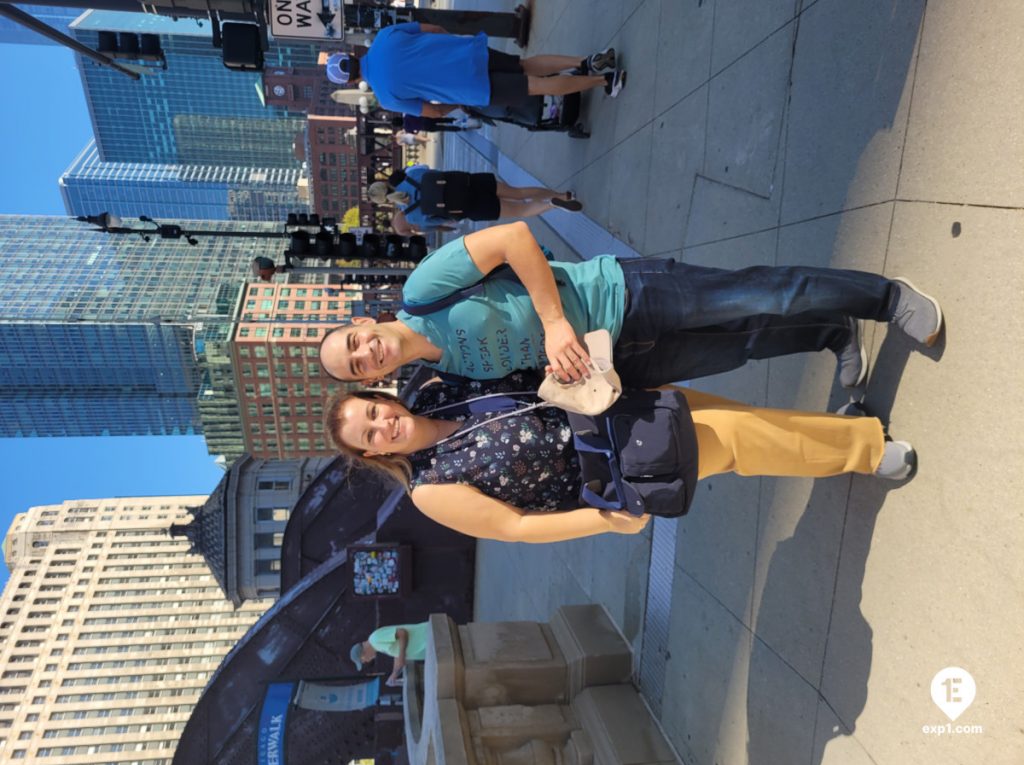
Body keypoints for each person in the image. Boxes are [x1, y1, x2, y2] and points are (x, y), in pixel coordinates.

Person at [318, 222, 943, 390]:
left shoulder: (425, 290)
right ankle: (831, 333)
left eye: (355, 344)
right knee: (744, 344)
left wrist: (557, 320)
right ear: (371, 380)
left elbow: (515, 238)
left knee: (764, 291)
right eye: (359, 368)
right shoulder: (442, 372)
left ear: (361, 324)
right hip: (617, 363)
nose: (367, 355)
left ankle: (887, 298)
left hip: (622, 293)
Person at [324, 372, 917, 544]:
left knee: (731, 419)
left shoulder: (433, 390)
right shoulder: (429, 488)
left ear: (379, 397)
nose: (382, 427)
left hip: (608, 405)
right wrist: (605, 521)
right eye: (369, 438)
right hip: (612, 465)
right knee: (733, 439)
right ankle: (869, 452)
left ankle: (844, 435)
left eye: (372, 413)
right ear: (373, 456)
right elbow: (514, 526)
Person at [324, 28, 625, 118]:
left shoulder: (387, 97)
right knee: (525, 64)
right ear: (351, 54)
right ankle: (586, 60)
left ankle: (603, 80)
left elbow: (434, 112)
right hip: (470, 53)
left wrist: (458, 101)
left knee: (535, 87)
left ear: (352, 80)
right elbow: (433, 28)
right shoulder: (385, 38)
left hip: (472, 88)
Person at [371, 166, 582, 236]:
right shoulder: (410, 174)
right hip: (471, 182)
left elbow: (444, 224)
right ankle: (563, 195)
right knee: (518, 192)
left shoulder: (412, 215)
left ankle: (551, 205)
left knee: (521, 210)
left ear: (384, 202)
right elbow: (433, 172)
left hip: (471, 207)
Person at [350, 622, 428, 685]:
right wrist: (394, 674)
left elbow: (402, 633)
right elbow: (397, 655)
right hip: (426, 647)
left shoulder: (375, 638)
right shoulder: (377, 646)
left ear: (363, 655)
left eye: (363, 661)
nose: (367, 661)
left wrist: (402, 656)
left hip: (427, 637)